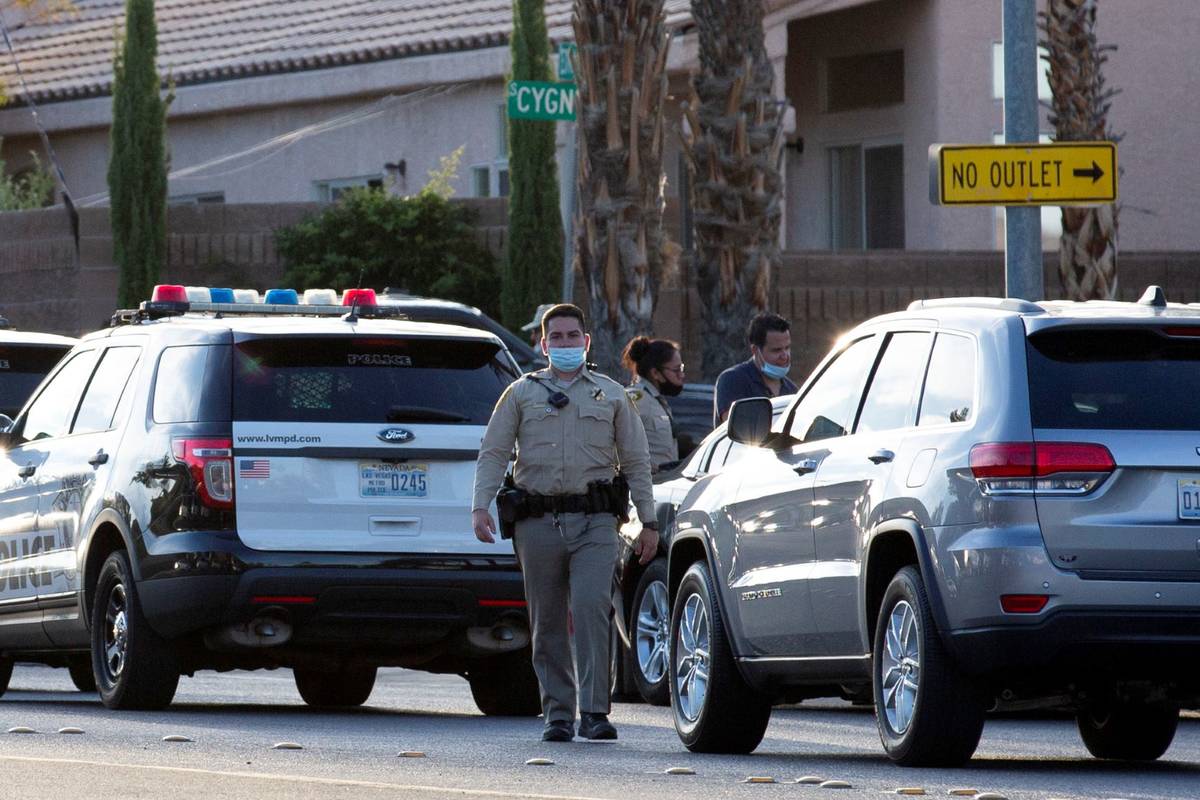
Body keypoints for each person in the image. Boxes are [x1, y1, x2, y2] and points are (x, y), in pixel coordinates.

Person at [472, 303, 657, 743]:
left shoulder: (612, 395)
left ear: (586, 342)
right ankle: (557, 713)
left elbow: (635, 459)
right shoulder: (521, 393)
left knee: (593, 608)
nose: (566, 343)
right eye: (557, 337)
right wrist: (480, 506)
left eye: (573, 336)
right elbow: (494, 452)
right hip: (538, 521)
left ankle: (594, 712)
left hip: (595, 522)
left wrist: (649, 521)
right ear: (543, 343)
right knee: (548, 619)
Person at [713, 312, 799, 426]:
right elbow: (734, 426)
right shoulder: (733, 380)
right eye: (776, 350)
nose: (785, 356)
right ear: (755, 350)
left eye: (787, 348)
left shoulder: (791, 390)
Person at [622, 336, 683, 470]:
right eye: (677, 369)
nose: (681, 375)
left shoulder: (656, 401)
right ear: (655, 373)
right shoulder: (636, 400)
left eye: (681, 368)